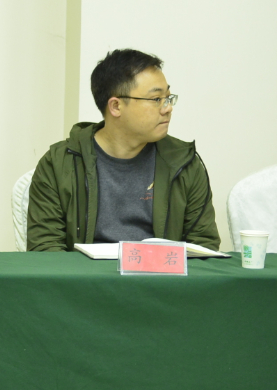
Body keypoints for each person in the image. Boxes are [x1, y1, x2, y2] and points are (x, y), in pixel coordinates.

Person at [27, 48, 219, 251]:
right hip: (83, 272)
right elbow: (45, 249)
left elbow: (203, 247)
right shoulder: (59, 163)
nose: (167, 108)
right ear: (116, 106)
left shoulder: (183, 163)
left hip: (160, 272)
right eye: (156, 99)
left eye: (168, 98)